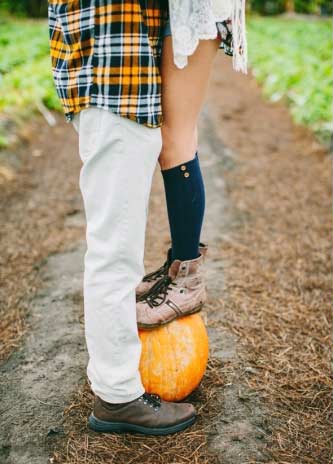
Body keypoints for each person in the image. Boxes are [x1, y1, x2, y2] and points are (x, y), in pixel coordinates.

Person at [48, 0, 244, 435]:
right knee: (113, 255)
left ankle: (116, 379)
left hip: (122, 80)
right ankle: (117, 396)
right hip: (113, 80)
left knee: (115, 250)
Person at [135, 0, 247, 329]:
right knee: (180, 134)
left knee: (175, 138)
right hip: (183, 9)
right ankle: (178, 266)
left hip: (197, 9)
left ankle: (188, 278)